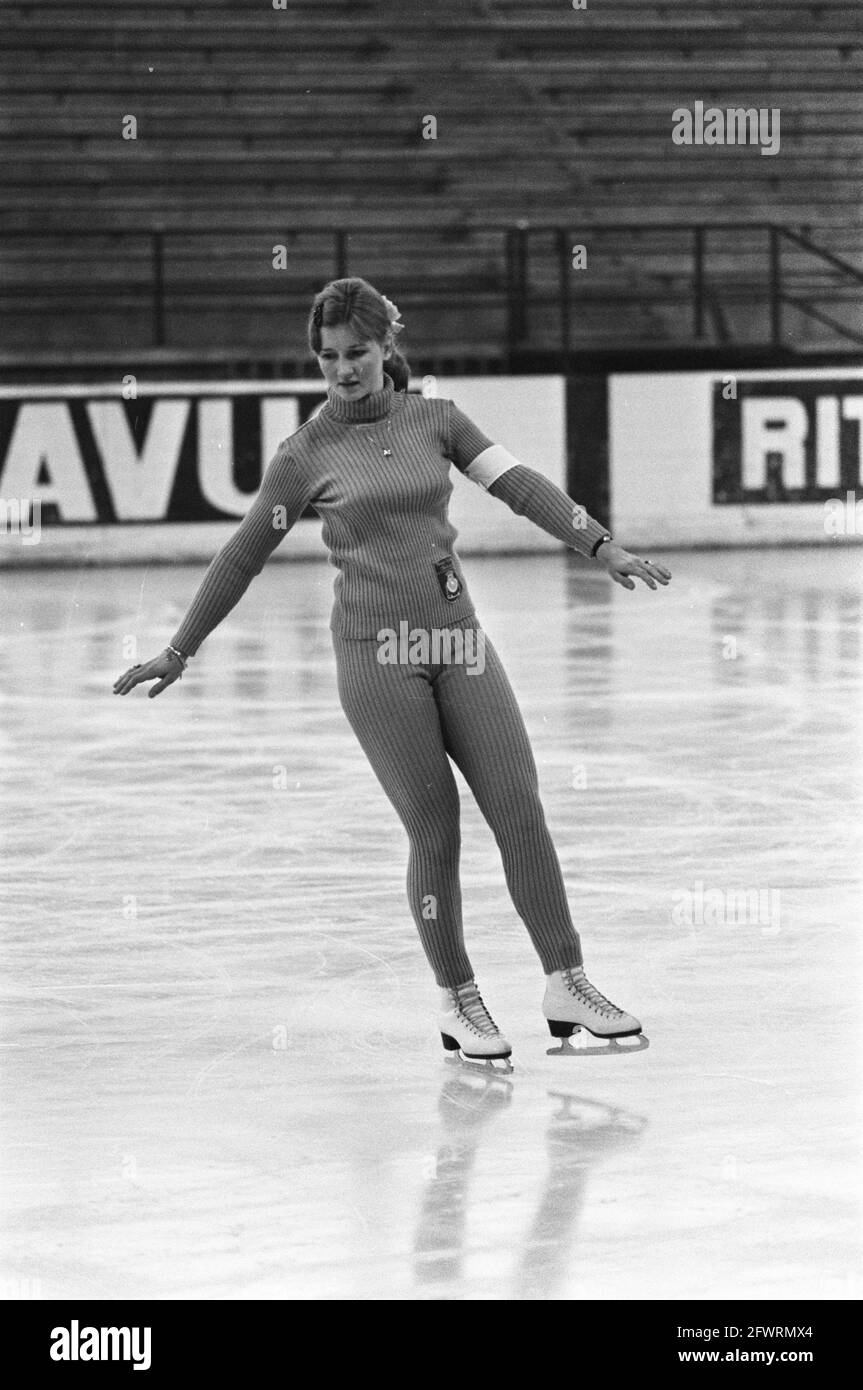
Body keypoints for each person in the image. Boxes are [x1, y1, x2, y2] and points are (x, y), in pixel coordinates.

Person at [113, 276, 672, 1069]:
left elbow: (517, 485)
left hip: (455, 641)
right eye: (329, 357)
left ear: (387, 348)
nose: (343, 370)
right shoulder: (304, 454)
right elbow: (243, 555)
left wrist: (599, 544)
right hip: (377, 658)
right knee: (434, 828)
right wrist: (180, 648)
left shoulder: (436, 421)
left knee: (518, 808)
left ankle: (566, 983)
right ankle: (457, 999)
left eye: (358, 354)